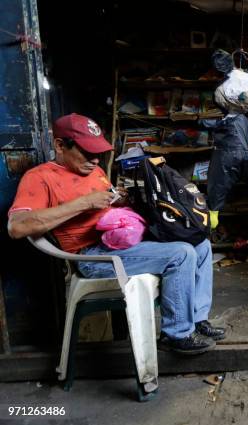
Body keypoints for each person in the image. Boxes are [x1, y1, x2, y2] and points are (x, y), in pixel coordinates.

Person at [7, 113, 225, 355]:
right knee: (181, 253)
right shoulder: (39, 177)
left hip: (121, 240)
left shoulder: (93, 171)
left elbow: (107, 204)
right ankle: (176, 334)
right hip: (93, 255)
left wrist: (120, 198)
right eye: (87, 152)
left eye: (98, 153)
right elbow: (17, 227)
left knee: (200, 244)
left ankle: (197, 319)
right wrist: (84, 203)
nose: (95, 160)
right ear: (60, 145)